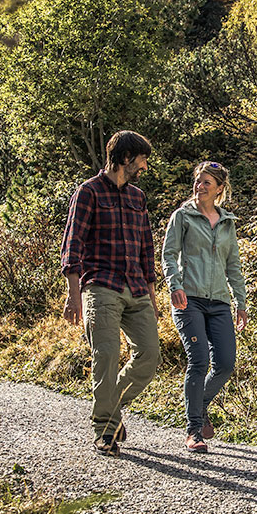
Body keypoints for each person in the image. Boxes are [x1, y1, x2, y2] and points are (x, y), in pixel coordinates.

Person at [61, 130, 161, 456]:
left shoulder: (137, 197)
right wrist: (73, 295)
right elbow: (72, 246)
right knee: (105, 355)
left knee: (149, 355)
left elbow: (147, 248)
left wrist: (152, 293)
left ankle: (110, 408)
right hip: (100, 286)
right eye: (142, 159)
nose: (145, 166)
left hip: (136, 288)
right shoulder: (87, 193)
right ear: (126, 158)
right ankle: (105, 430)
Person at [162, 160, 248, 453]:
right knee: (199, 361)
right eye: (198, 181)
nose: (199, 187)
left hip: (220, 302)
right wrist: (175, 285)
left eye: (206, 183)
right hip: (190, 299)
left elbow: (233, 266)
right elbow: (169, 254)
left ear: (219, 189)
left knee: (225, 363)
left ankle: (198, 404)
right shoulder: (182, 216)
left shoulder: (227, 223)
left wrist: (241, 302)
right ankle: (193, 430)